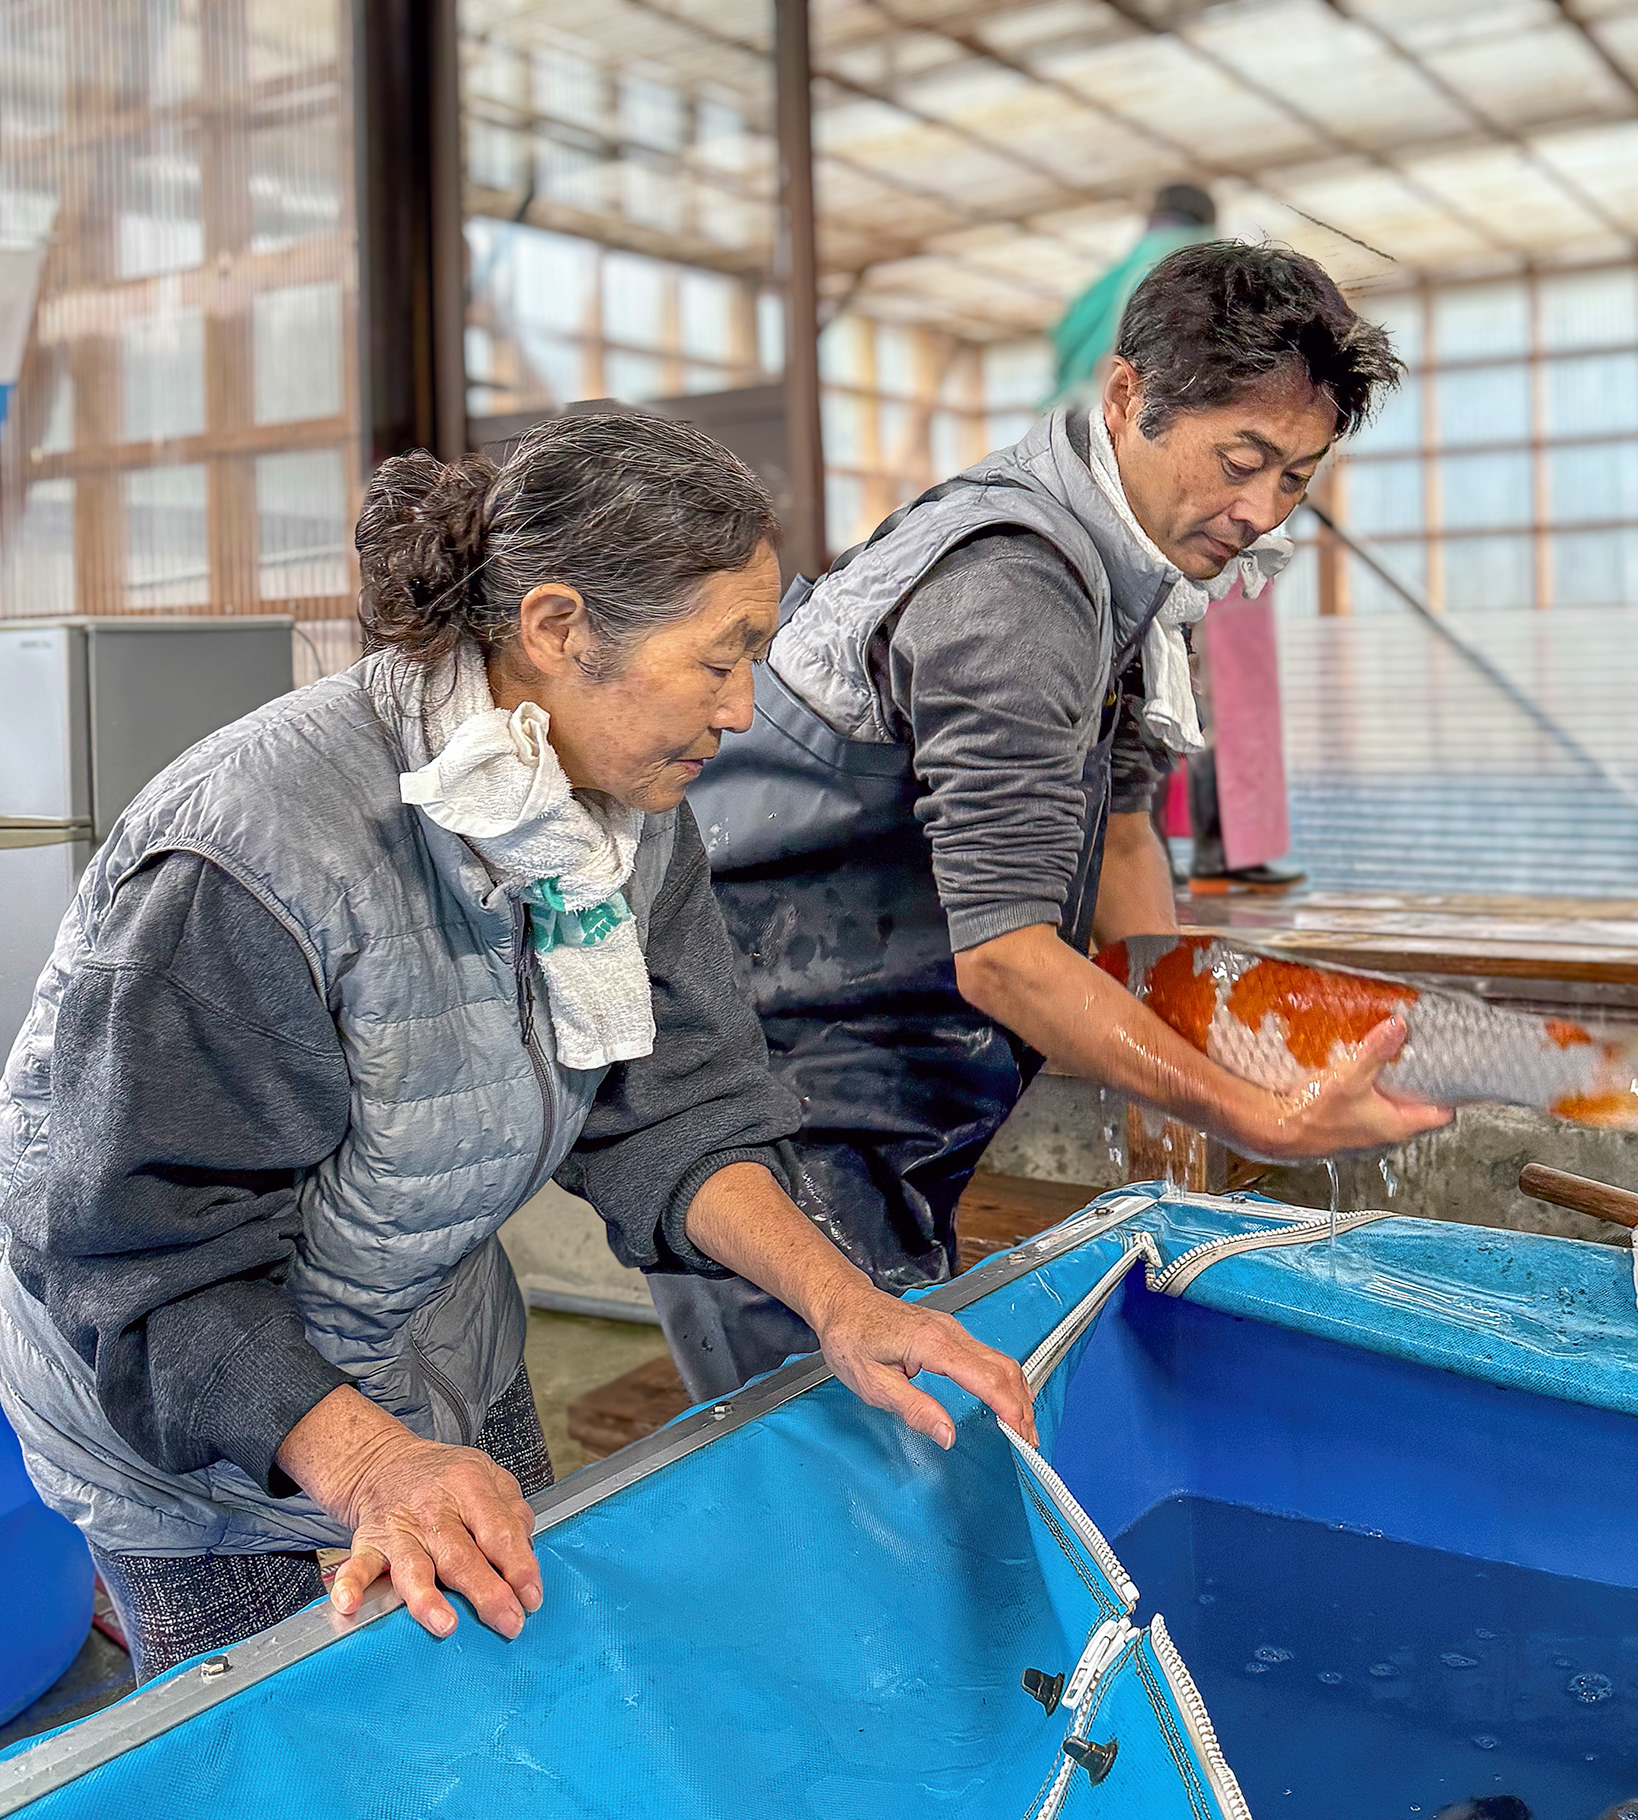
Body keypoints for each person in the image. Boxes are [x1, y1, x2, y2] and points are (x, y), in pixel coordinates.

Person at [0, 408, 1032, 1684]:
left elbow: (677, 1107)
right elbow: (148, 1266)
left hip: (437, 1336)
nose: (744, 705)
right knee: (316, 1796)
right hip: (205, 1419)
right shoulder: (257, 855)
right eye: (719, 658)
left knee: (519, 1711)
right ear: (555, 629)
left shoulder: (625, 809)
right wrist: (375, 1462)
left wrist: (845, 1302)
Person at [656, 242, 1451, 1402]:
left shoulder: (1135, 572)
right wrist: (1257, 1114)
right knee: (851, 1462)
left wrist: (1195, 1082)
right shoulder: (1018, 588)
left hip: (885, 1090)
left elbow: (1124, 832)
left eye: (1297, 477)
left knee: (918, 1438)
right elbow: (1009, 959)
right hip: (773, 1098)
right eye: (1243, 459)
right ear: (1127, 396)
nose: (1260, 510)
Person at [1050, 182, 1216, 412]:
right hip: (1153, 405)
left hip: (1078, 406)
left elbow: (1063, 334)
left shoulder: (1109, 280)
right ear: (1209, 219)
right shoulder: (1205, 263)